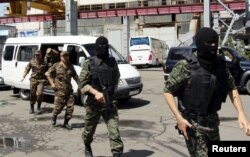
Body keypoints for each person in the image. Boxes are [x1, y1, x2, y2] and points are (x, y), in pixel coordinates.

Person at [163, 27, 250, 157]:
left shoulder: (220, 64)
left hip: (212, 120)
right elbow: (167, 91)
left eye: (215, 42)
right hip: (193, 123)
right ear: (199, 44)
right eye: (209, 43)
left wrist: (241, 114)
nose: (213, 46)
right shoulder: (185, 65)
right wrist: (178, 118)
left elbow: (232, 87)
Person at [78, 36, 123, 157]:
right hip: (94, 104)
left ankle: (117, 153)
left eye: (105, 46)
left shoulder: (112, 62)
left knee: (114, 131)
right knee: (89, 130)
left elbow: (116, 78)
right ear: (97, 47)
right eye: (101, 46)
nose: (103, 49)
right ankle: (87, 146)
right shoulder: (90, 63)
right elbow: (82, 84)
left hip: (109, 102)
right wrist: (95, 92)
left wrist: (111, 93)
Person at [46, 51, 78, 130]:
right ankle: (54, 116)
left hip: (69, 90)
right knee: (58, 108)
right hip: (59, 91)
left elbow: (76, 77)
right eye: (64, 56)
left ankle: (66, 123)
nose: (65, 57)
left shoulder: (71, 66)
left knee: (70, 108)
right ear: (61, 57)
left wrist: (81, 86)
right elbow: (47, 74)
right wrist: (52, 84)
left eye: (67, 56)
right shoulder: (56, 65)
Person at [21, 50, 47, 114]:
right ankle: (32, 107)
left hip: (41, 80)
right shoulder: (32, 61)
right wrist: (23, 77)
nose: (37, 56)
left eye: (38, 55)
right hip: (33, 80)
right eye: (36, 55)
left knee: (40, 94)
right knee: (32, 94)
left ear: (41, 55)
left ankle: (38, 107)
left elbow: (48, 71)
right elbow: (27, 69)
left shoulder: (44, 62)